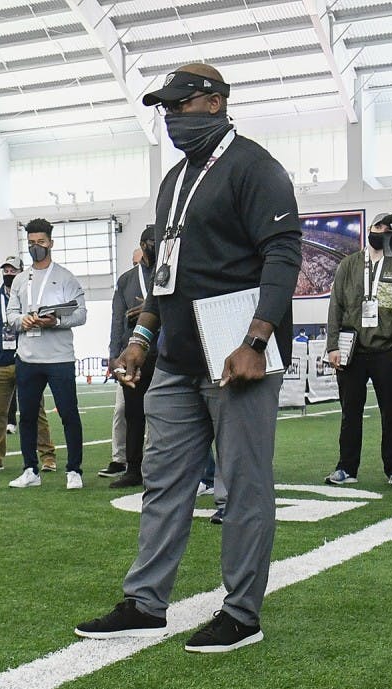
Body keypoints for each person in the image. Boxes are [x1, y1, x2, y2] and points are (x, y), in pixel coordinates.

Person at [74, 62, 300, 653]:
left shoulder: (255, 167)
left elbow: (283, 255)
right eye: (165, 109)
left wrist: (255, 342)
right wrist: (141, 337)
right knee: (163, 482)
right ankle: (145, 604)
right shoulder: (175, 179)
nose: (171, 118)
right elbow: (165, 270)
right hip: (176, 356)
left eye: (181, 106)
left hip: (234, 352)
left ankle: (242, 614)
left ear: (215, 103)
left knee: (243, 488)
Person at [326, 221, 392, 490]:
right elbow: (335, 306)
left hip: (386, 351)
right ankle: (346, 467)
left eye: (387, 230)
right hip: (352, 351)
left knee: (391, 413)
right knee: (350, 413)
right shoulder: (348, 264)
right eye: (378, 227)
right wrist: (332, 346)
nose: (381, 233)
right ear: (370, 229)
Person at [6, 218, 88, 490]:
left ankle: (74, 470)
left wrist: (56, 321)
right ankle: (30, 470)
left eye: (40, 242)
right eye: (31, 243)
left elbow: (81, 314)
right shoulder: (20, 280)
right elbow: (11, 315)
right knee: (27, 417)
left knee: (69, 415)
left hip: (59, 359)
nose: (36, 247)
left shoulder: (65, 277)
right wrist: (24, 321)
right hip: (27, 358)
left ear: (51, 243)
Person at [0, 258, 51, 473]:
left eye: (12, 270)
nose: (8, 273)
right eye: (5, 270)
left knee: (36, 412)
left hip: (28, 361)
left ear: (22, 272)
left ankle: (47, 457)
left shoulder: (32, 298)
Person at [107, 227, 160, 489]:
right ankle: (133, 469)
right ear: (142, 244)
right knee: (133, 414)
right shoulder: (126, 280)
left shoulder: (169, 273)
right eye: (151, 242)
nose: (155, 246)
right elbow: (117, 319)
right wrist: (112, 355)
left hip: (164, 353)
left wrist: (151, 313)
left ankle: (161, 468)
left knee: (164, 414)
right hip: (133, 355)